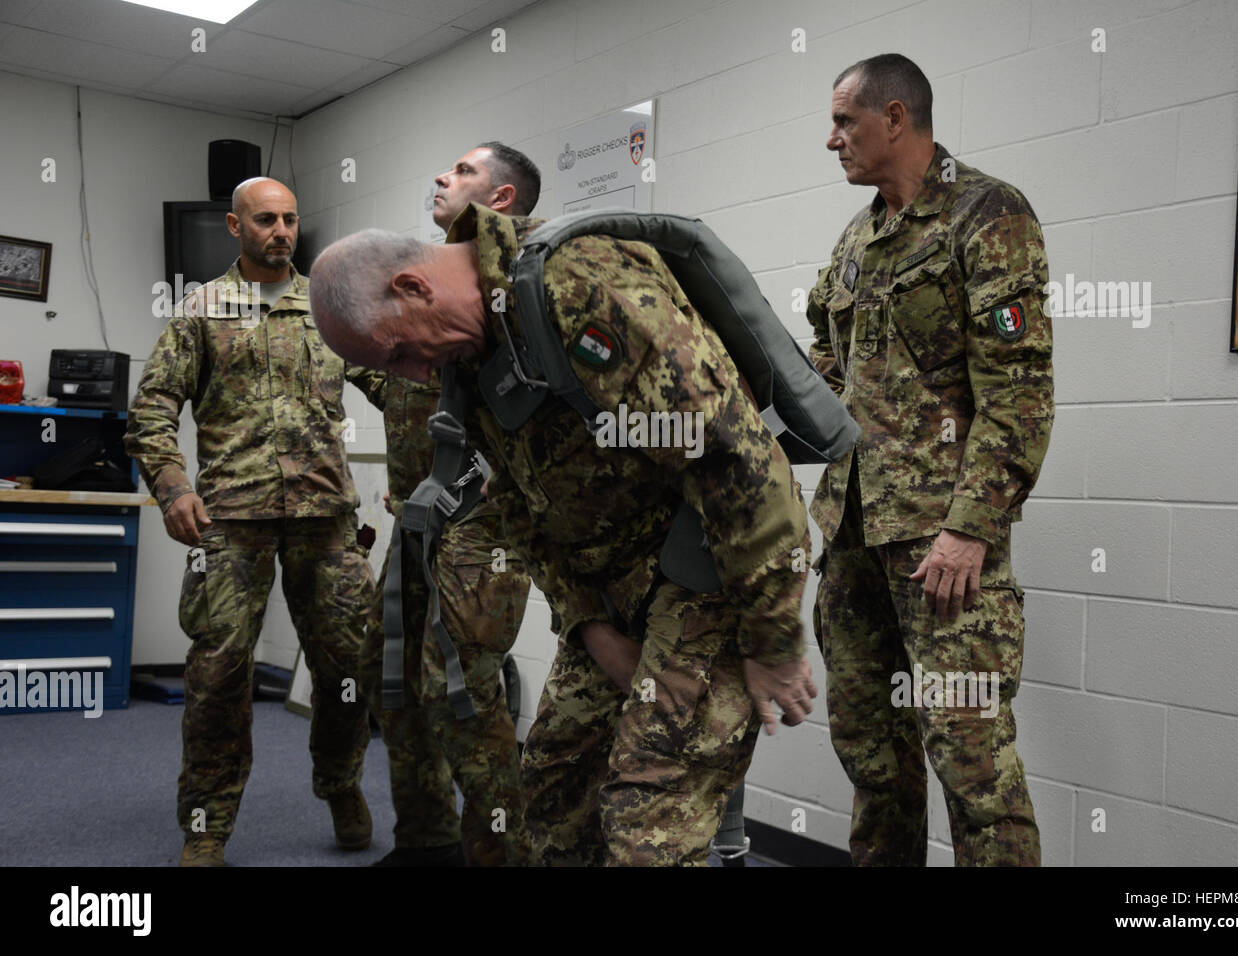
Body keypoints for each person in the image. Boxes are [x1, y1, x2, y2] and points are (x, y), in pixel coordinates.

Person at [306, 202, 819, 866]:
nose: (411, 376)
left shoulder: (577, 286)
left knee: (647, 819)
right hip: (610, 593)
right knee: (552, 790)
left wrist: (773, 639)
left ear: (412, 288)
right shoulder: (473, 359)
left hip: (707, 572)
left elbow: (740, 461)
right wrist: (588, 626)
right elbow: (519, 508)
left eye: (399, 353)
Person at [807, 54, 1054, 866]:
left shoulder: (987, 212)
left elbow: (1019, 391)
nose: (831, 139)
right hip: (852, 541)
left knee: (972, 767)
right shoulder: (856, 241)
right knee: (873, 762)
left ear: (896, 117)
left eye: (845, 121)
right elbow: (828, 374)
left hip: (940, 549)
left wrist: (971, 527)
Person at [126, 177, 374, 867]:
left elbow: (395, 377)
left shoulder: (328, 307)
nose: (282, 231)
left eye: (291, 219)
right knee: (218, 675)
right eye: (266, 219)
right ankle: (207, 823)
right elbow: (150, 411)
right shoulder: (201, 311)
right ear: (236, 227)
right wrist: (173, 487)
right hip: (232, 521)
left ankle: (341, 782)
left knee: (350, 664)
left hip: (326, 519)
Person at [350, 142, 541, 866]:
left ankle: (499, 854)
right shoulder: (426, 290)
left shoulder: (521, 291)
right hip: (414, 521)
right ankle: (424, 839)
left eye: (462, 171)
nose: (440, 175)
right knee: (392, 679)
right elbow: (398, 386)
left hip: (483, 525)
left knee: (458, 691)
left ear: (500, 200)